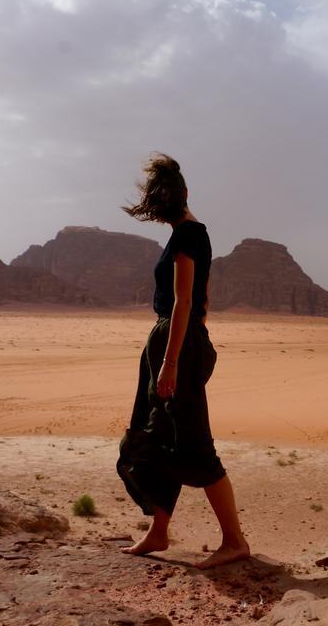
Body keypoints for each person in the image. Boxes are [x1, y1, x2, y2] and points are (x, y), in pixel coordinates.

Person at [116, 153, 250, 569]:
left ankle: (235, 541)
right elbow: (202, 301)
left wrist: (172, 362)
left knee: (193, 441)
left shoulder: (188, 235)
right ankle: (158, 532)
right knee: (154, 438)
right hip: (177, 341)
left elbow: (185, 301)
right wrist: (187, 341)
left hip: (176, 345)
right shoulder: (189, 235)